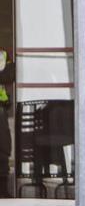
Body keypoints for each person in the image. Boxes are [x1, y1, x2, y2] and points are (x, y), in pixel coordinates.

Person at [0, 46, 14, 197]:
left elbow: (9, 75)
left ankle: (2, 188)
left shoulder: (2, 55)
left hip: (0, 108)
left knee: (2, 146)